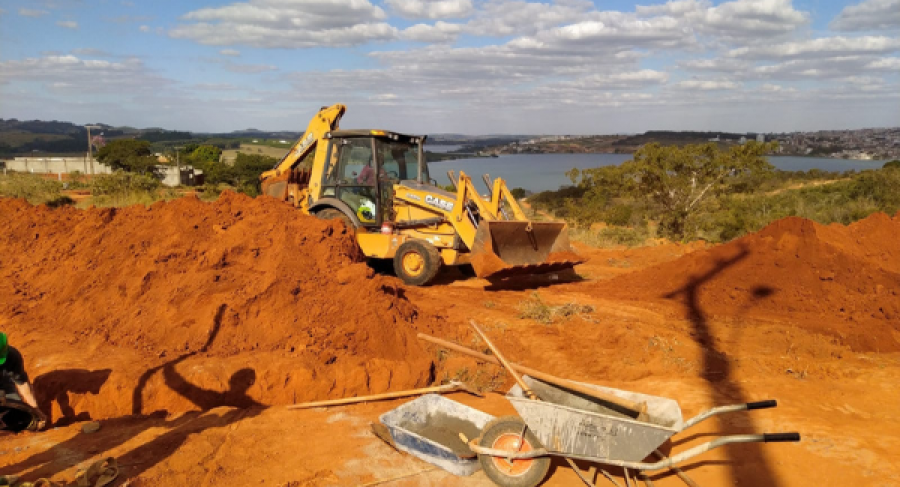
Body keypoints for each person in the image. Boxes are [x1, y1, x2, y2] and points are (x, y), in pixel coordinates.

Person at [0, 332, 45, 428]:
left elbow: (22, 384)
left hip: (4, 384)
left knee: (19, 411)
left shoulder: (12, 356)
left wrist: (35, 410)